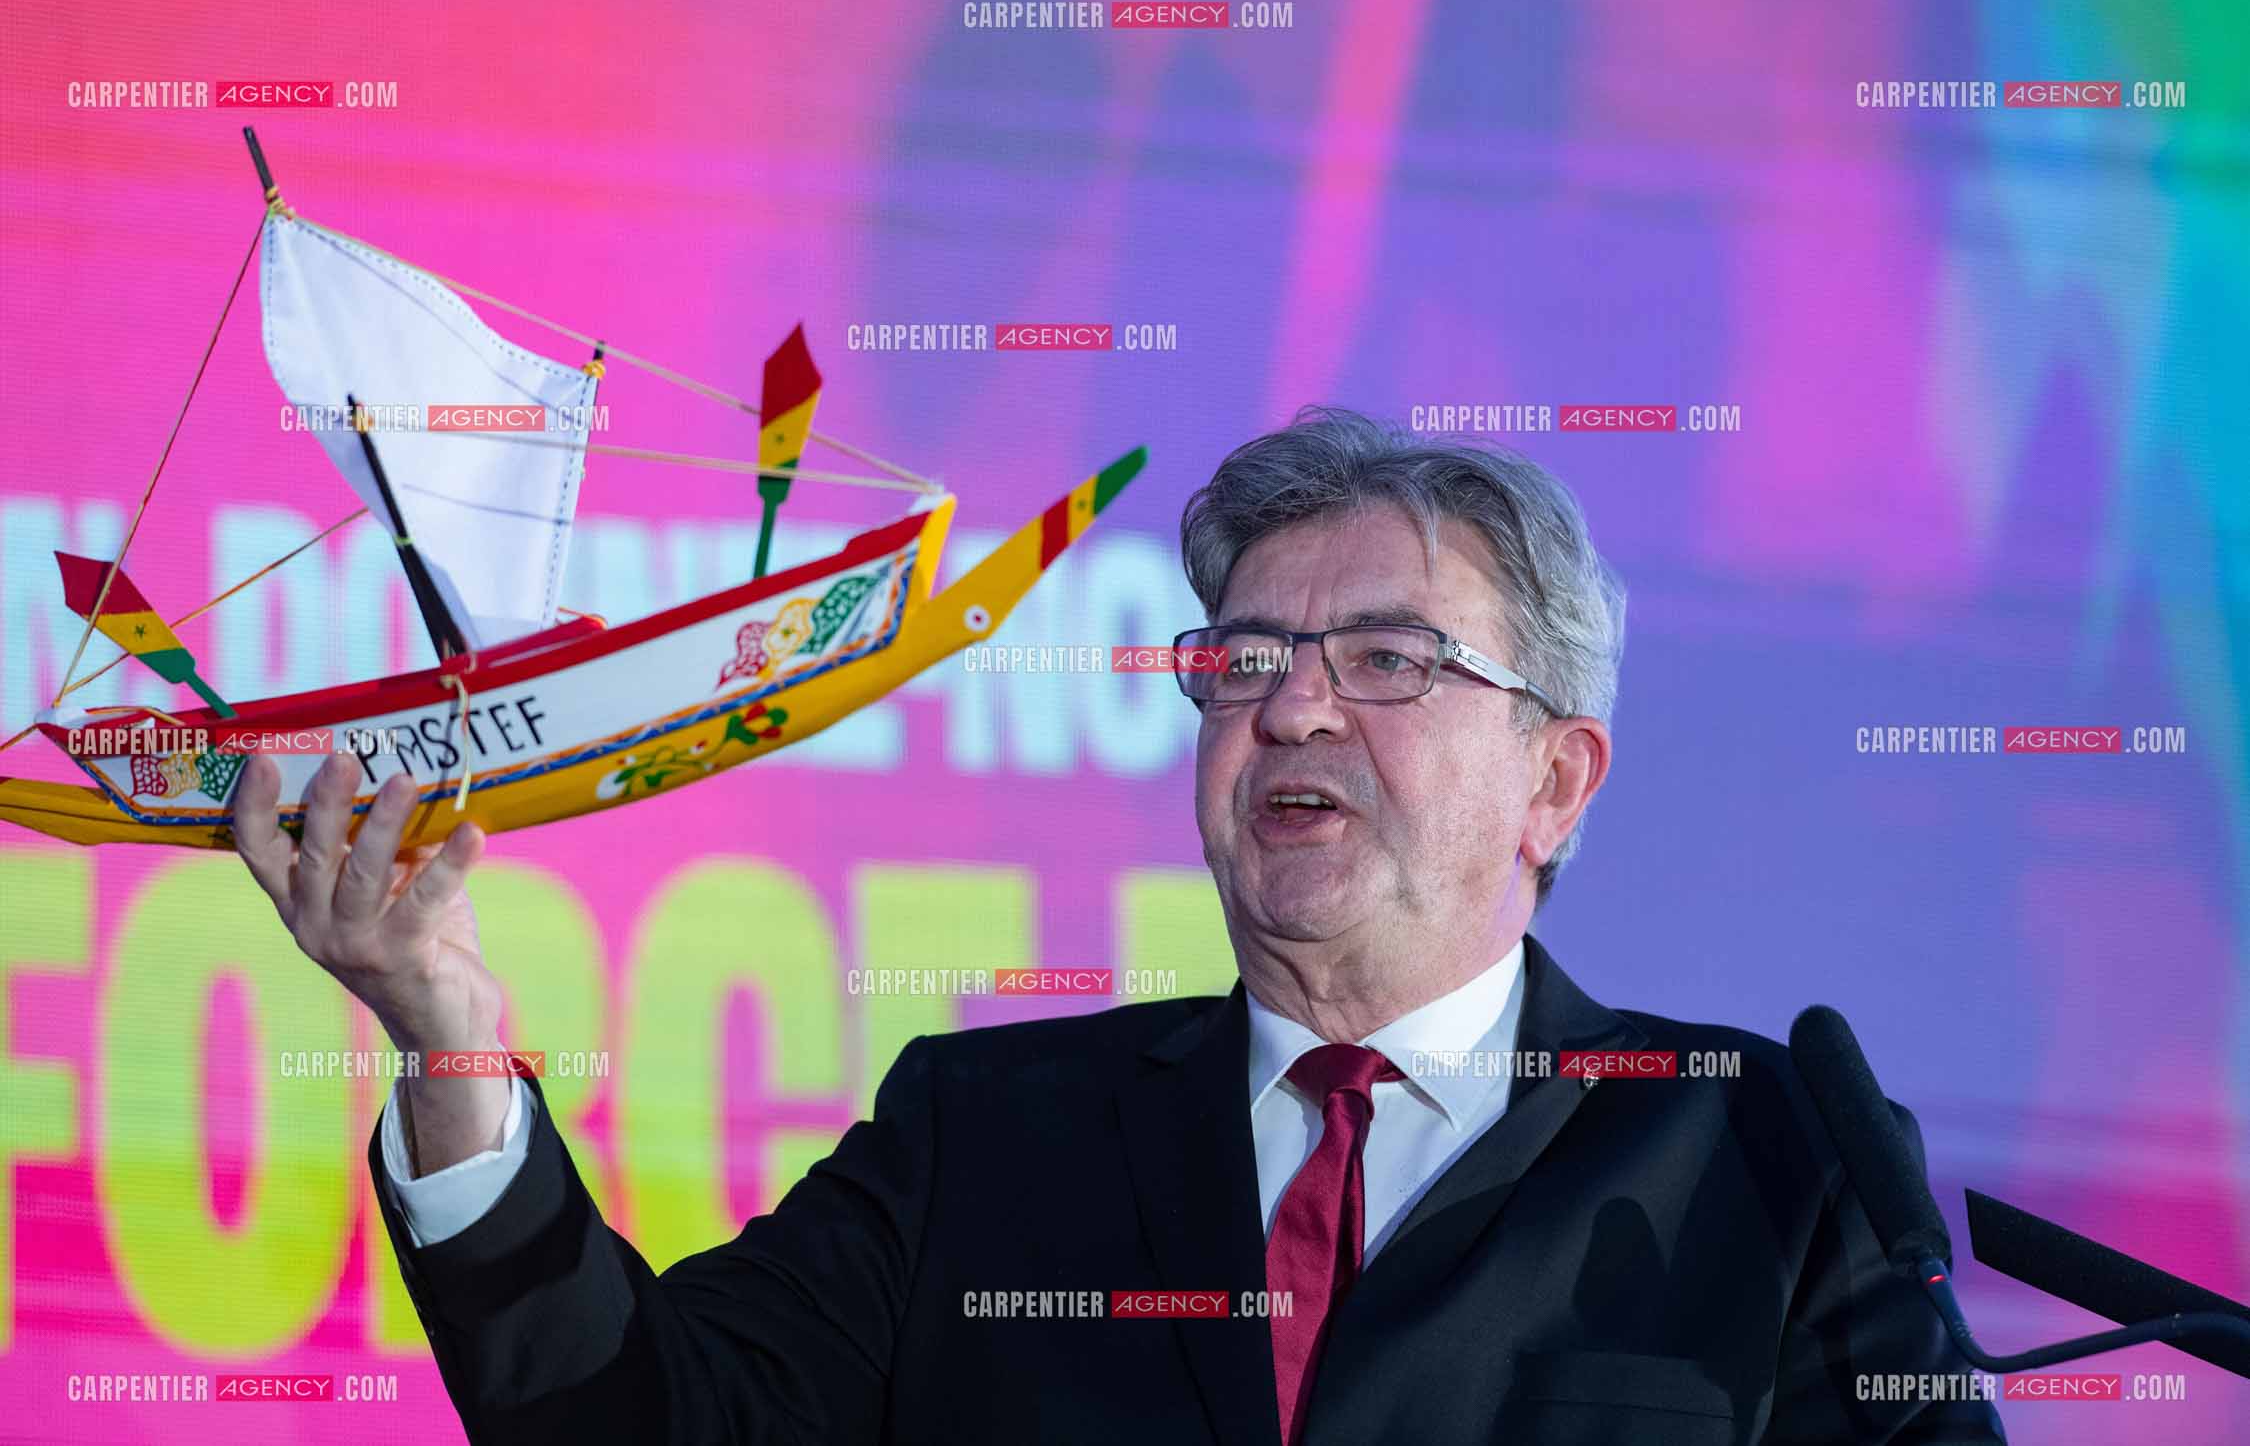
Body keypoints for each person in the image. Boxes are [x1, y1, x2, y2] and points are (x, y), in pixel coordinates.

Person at [234, 407, 2004, 1444]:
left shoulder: (1760, 1148)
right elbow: (631, 1427)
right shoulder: (984, 1140)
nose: (1291, 714)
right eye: (1240, 662)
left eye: (1386, 661)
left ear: (1555, 781)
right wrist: (444, 1029)